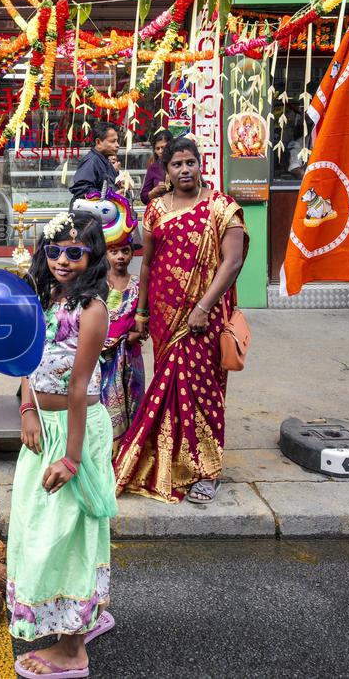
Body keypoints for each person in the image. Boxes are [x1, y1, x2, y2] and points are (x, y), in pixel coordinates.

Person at [9, 211, 117, 678]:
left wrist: (72, 459)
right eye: (55, 251)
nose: (63, 261)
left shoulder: (92, 310)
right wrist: (27, 410)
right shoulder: (43, 295)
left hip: (76, 431)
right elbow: (24, 357)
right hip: (44, 428)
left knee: (68, 535)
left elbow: (77, 387)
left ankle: (73, 650)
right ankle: (86, 613)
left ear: (93, 256)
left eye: (75, 252)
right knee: (36, 525)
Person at [114, 137, 248, 504]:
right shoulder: (156, 209)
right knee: (169, 385)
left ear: (200, 165)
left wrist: (203, 307)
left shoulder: (222, 207)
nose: (185, 169)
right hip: (165, 315)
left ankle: (207, 469)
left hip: (206, 316)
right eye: (177, 164)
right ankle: (172, 461)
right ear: (166, 171)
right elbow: (148, 264)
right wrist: (141, 313)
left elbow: (232, 262)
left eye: (190, 162)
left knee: (204, 389)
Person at [100, 240, 146, 456]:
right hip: (104, 359)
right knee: (107, 404)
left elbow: (145, 317)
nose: (120, 256)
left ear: (132, 254)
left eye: (125, 251)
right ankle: (108, 454)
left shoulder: (139, 285)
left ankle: (129, 456)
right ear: (106, 254)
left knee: (133, 403)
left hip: (131, 356)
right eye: (114, 251)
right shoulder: (99, 284)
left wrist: (138, 332)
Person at [70, 122, 120, 201]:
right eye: (112, 141)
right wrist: (110, 195)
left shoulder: (104, 160)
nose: (117, 145)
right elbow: (81, 189)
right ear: (98, 142)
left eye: (117, 141)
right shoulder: (92, 161)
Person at [139, 129, 174, 205]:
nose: (160, 151)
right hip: (160, 208)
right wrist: (154, 191)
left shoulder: (179, 164)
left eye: (163, 147)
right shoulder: (153, 168)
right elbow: (143, 197)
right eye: (157, 148)